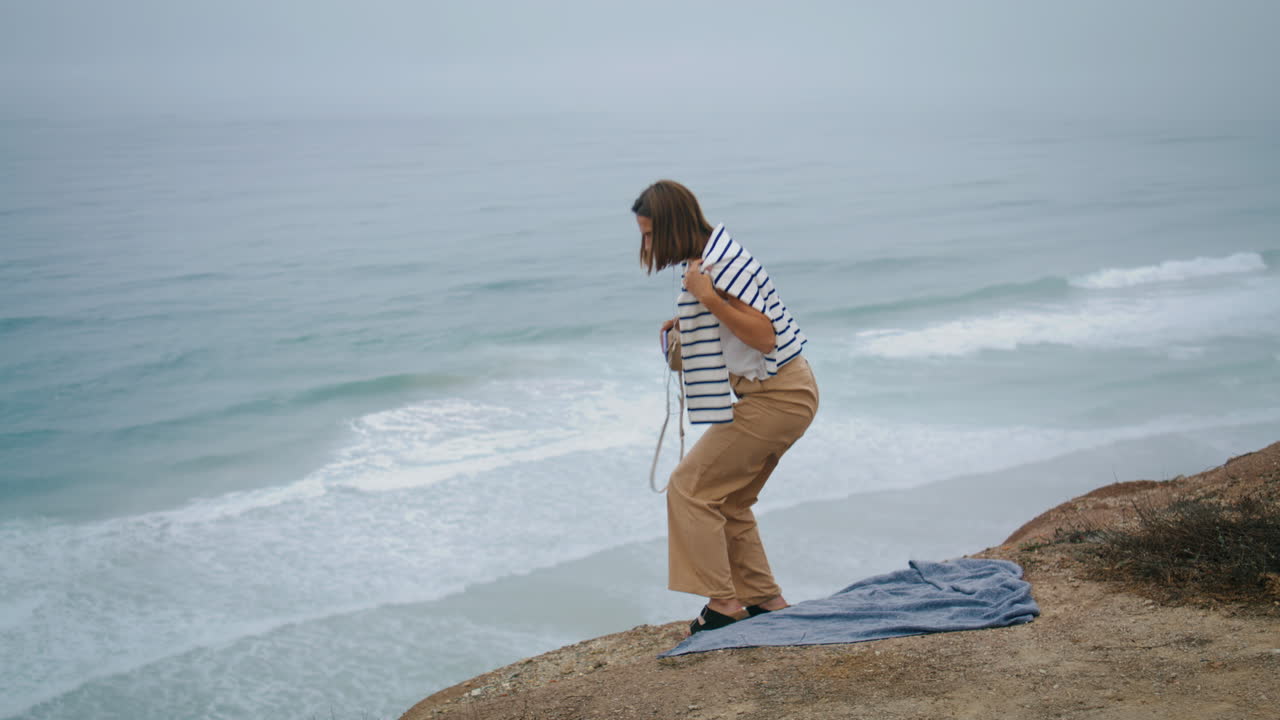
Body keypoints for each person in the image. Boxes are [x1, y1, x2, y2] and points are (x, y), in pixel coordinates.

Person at [632, 179, 819, 635]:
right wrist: (695, 317)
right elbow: (745, 326)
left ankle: (723, 603)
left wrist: (709, 300)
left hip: (777, 397)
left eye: (651, 234)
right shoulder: (712, 257)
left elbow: (764, 336)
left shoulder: (718, 268)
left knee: (689, 488)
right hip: (785, 393)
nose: (647, 244)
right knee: (730, 500)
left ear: (674, 226)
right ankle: (765, 600)